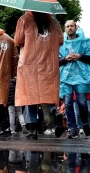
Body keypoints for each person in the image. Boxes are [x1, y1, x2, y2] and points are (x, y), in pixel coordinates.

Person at [14, 11, 63, 140]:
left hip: (30, 63)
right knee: (46, 93)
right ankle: (55, 111)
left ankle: (33, 130)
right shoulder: (54, 21)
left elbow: (18, 40)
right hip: (48, 63)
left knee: (30, 96)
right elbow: (61, 40)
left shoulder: (24, 19)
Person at [59, 20, 90, 139]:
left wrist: (79, 56)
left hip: (81, 78)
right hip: (66, 78)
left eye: (72, 26)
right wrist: (66, 58)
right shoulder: (61, 44)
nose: (70, 28)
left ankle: (85, 123)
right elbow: (56, 61)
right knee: (67, 104)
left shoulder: (85, 42)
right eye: (67, 26)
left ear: (76, 27)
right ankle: (72, 128)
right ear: (65, 29)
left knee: (82, 103)